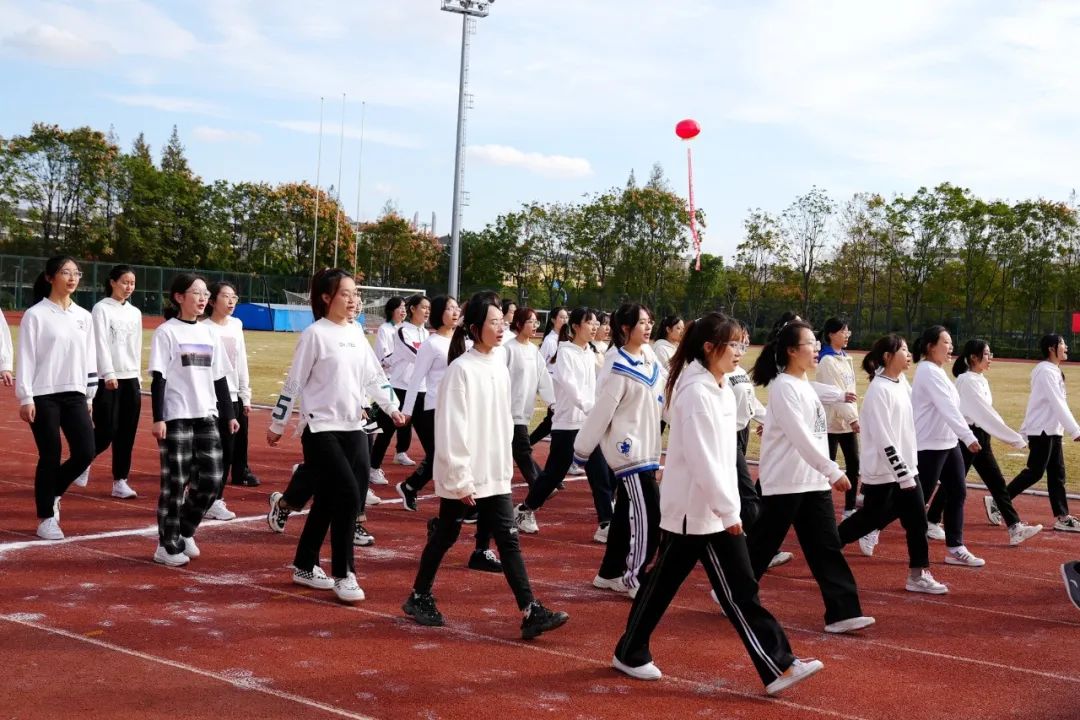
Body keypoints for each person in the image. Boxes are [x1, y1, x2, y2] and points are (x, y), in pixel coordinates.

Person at [612, 312, 824, 696]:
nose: (740, 351)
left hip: (705, 510)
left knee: (668, 585)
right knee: (737, 590)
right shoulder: (697, 393)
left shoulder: (718, 386)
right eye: (733, 344)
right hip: (698, 511)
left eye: (743, 343)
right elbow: (703, 459)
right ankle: (779, 664)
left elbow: (725, 457)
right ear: (710, 347)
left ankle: (630, 650)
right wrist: (729, 511)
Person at [402, 293, 570, 639]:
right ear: (476, 328)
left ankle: (530, 610)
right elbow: (452, 429)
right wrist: (461, 479)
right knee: (446, 535)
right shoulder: (461, 370)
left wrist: (504, 468)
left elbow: (504, 422)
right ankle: (419, 595)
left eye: (502, 322)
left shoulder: (498, 364)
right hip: (466, 474)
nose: (501, 328)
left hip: (494, 473)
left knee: (508, 538)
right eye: (494, 322)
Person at [268, 269, 405, 601]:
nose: (353, 299)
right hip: (320, 429)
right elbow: (294, 381)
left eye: (355, 293)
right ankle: (345, 574)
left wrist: (392, 407)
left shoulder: (356, 332)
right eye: (345, 293)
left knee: (331, 500)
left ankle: (304, 565)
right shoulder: (315, 335)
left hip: (353, 428)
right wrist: (278, 423)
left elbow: (374, 376)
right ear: (326, 297)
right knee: (348, 495)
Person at [748, 319, 874, 634]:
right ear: (792, 350)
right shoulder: (783, 387)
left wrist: (841, 395)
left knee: (826, 548)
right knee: (762, 546)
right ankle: (732, 593)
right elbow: (800, 437)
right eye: (810, 344)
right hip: (786, 482)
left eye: (817, 343)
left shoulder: (803, 384)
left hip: (812, 482)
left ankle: (843, 613)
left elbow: (821, 402)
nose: (817, 348)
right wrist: (832, 470)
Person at [836, 335, 948, 594]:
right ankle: (829, 545)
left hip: (907, 469)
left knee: (917, 521)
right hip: (885, 473)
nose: (908, 355)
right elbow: (884, 438)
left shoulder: (900, 384)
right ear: (887, 356)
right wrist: (902, 473)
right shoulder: (879, 391)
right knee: (870, 518)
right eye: (903, 350)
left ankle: (917, 574)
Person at [148, 273, 237, 566]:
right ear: (179, 297)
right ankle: (166, 545)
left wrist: (229, 414)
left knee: (212, 480)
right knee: (175, 483)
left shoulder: (209, 333)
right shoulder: (166, 332)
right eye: (196, 293)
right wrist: (159, 418)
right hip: (176, 416)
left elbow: (220, 377)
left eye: (205, 294)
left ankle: (184, 530)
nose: (202, 298)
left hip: (206, 415)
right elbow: (159, 378)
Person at [575, 304, 663, 598]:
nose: (648, 327)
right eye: (642, 323)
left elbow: (665, 399)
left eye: (650, 322)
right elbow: (601, 413)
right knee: (649, 517)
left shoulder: (649, 358)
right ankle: (633, 578)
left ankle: (610, 572)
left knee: (626, 514)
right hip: (631, 454)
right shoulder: (617, 366)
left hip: (649, 449)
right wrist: (582, 450)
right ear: (626, 328)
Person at [926, 340, 1042, 546]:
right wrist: (1014, 438)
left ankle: (1014, 527)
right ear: (973, 357)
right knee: (961, 481)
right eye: (987, 354)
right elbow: (984, 413)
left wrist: (1012, 436)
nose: (990, 358)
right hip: (968, 436)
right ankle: (931, 520)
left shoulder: (979, 380)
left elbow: (988, 413)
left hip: (979, 436)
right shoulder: (967, 381)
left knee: (990, 482)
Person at [514, 307, 614, 539]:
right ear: (576, 326)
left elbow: (597, 385)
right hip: (567, 425)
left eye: (596, 323)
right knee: (553, 475)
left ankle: (605, 523)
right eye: (589, 323)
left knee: (599, 473)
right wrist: (591, 409)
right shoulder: (565, 353)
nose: (594, 327)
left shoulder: (589, 353)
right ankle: (525, 509)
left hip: (587, 424)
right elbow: (572, 387)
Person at [17, 256, 97, 541]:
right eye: (65, 272)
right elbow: (26, 357)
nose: (72, 278)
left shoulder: (84, 316)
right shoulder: (36, 315)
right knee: (50, 454)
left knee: (86, 451)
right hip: (43, 394)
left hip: (75, 393)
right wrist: (26, 397)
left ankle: (52, 494)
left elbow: (90, 357)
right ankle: (46, 518)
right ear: (50, 277)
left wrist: (90, 396)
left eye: (76, 273)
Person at [910, 326, 985, 566]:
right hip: (930, 444)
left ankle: (956, 547)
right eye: (945, 342)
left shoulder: (938, 371)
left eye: (951, 342)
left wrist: (960, 436)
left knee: (957, 491)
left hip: (948, 442)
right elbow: (947, 407)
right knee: (916, 498)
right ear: (930, 346)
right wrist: (968, 436)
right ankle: (872, 526)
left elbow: (952, 407)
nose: (950, 346)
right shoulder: (927, 371)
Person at [1004, 334, 1080, 532]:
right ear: (1051, 348)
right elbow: (1057, 402)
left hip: (1051, 430)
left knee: (1057, 474)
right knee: (1035, 472)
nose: (1066, 346)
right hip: (1043, 430)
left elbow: (1043, 403)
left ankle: (1062, 517)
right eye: (1062, 343)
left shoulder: (1052, 370)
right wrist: (1075, 430)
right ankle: (999, 501)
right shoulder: (1045, 371)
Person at [200, 281, 256, 523]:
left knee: (228, 452)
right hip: (210, 399)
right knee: (211, 453)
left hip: (233, 397)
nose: (231, 301)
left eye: (234, 297)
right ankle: (209, 498)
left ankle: (213, 499)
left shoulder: (236, 325)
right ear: (212, 300)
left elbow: (241, 362)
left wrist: (245, 394)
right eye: (226, 296)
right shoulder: (203, 328)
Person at [89, 264, 142, 500]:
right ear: (112, 282)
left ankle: (120, 480)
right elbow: (99, 342)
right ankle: (84, 458)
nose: (128, 287)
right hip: (108, 378)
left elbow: (136, 345)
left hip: (130, 377)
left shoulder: (135, 312)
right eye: (124, 282)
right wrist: (108, 372)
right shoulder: (101, 309)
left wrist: (137, 376)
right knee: (106, 429)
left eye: (132, 283)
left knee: (127, 432)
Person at [370, 294, 429, 477]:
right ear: (413, 309)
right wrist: (433, 362)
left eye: (429, 308)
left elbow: (400, 357)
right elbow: (414, 356)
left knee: (427, 435)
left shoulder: (427, 334)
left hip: (420, 389)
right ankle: (372, 468)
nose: (427, 311)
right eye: (424, 307)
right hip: (398, 387)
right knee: (386, 431)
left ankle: (412, 471)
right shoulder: (403, 331)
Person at [504, 307, 554, 489]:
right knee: (522, 449)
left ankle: (542, 483)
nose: (535, 325)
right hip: (508, 410)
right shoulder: (508, 349)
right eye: (530, 321)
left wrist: (553, 403)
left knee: (518, 449)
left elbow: (544, 380)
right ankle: (540, 486)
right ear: (518, 324)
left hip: (525, 410)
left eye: (536, 322)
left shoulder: (534, 351)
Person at [817, 318, 860, 518]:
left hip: (847, 422)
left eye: (848, 331)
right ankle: (820, 509)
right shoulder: (827, 361)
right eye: (843, 331)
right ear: (831, 334)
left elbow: (850, 392)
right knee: (827, 467)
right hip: (832, 423)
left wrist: (852, 417)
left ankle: (849, 508)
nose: (847, 335)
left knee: (854, 464)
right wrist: (853, 419)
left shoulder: (845, 358)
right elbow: (834, 394)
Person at [530, 306, 568, 446]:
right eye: (561, 317)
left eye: (566, 317)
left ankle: (525, 445)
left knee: (554, 422)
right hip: (553, 387)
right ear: (553, 320)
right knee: (552, 421)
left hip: (563, 387)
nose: (565, 320)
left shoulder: (566, 339)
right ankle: (525, 446)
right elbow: (540, 364)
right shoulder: (550, 341)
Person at [375, 296, 406, 373]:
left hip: (404, 374)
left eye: (404, 307)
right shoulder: (384, 329)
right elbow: (383, 354)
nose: (403, 310)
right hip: (389, 374)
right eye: (400, 307)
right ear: (392, 310)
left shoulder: (407, 328)